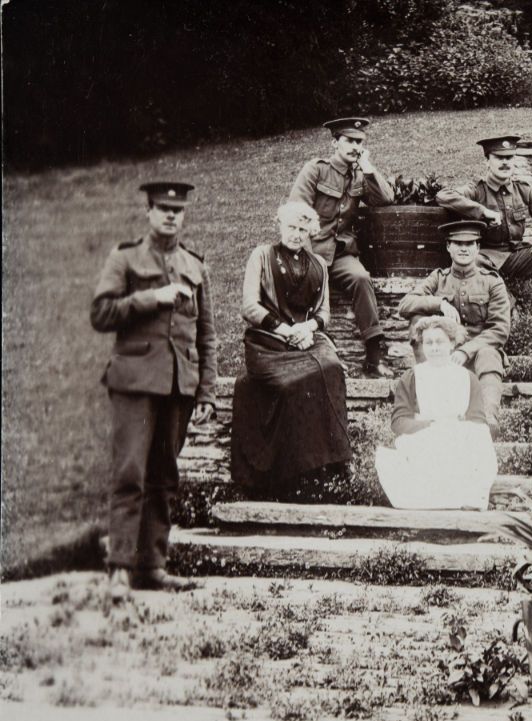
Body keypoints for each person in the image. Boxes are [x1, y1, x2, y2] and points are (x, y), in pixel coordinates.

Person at [90, 182, 216, 601]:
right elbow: (102, 313)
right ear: (148, 212)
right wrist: (153, 297)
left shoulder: (195, 265)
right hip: (135, 383)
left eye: (178, 211)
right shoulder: (125, 258)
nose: (171, 216)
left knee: (164, 476)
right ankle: (121, 569)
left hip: (179, 384)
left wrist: (207, 393)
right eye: (163, 209)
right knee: (130, 475)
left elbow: (206, 335)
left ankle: (152, 566)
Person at [231, 201, 351, 493]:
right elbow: (250, 306)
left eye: (302, 229)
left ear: (310, 232)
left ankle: (330, 466)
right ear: (280, 226)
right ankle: (289, 474)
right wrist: (286, 330)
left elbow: (324, 314)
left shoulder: (319, 265)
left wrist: (307, 328)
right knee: (291, 384)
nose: (296, 234)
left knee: (332, 368)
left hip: (308, 338)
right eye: (291, 227)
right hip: (268, 341)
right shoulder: (261, 256)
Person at [288, 117, 396, 378]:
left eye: (359, 141)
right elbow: (297, 212)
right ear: (335, 142)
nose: (355, 146)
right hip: (310, 251)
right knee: (307, 287)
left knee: (361, 279)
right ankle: (316, 353)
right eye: (349, 140)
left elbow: (386, 198)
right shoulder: (316, 170)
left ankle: (373, 353)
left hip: (342, 253)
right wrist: (308, 257)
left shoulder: (360, 174)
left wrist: (368, 167)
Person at [397, 220, 511, 429]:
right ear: (448, 247)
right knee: (418, 321)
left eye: (469, 244)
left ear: (478, 248)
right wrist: (439, 303)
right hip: (443, 352)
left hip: (478, 352)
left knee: (489, 354)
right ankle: (427, 406)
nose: (464, 249)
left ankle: (487, 419)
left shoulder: (492, 282)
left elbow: (499, 329)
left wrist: (466, 351)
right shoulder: (438, 278)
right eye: (458, 243)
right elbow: (405, 304)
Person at [375, 316, 498, 510]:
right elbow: (398, 421)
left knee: (478, 438)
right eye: (428, 343)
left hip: (457, 436)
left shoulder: (468, 378)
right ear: (422, 346)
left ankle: (466, 496)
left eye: (440, 342)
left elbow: (478, 421)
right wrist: (431, 424)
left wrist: (455, 427)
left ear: (452, 344)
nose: (434, 348)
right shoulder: (412, 377)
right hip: (424, 436)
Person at [436, 136, 532, 284]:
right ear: (487, 162)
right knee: (473, 262)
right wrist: (482, 211)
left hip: (518, 255)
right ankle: (508, 303)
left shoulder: (523, 189)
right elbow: (443, 195)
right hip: (487, 258)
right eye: (499, 157)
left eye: (509, 157)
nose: (505, 162)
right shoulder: (477, 189)